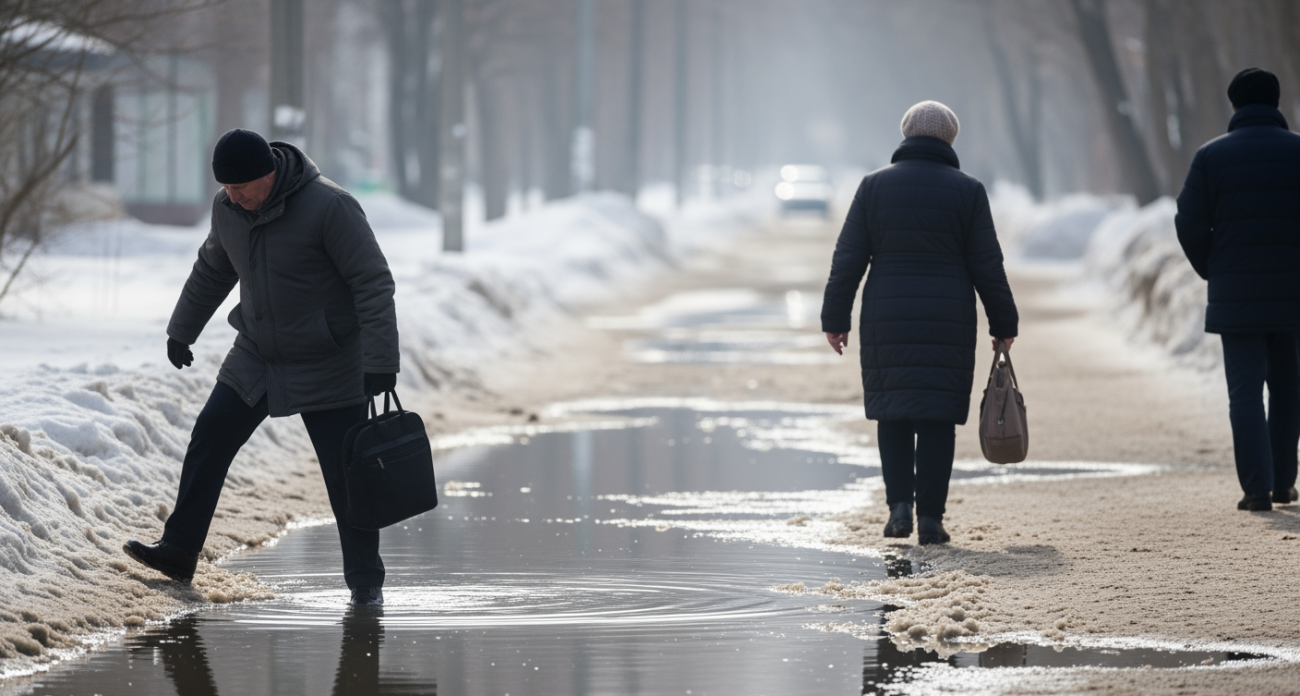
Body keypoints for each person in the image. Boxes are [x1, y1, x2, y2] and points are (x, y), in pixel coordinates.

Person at [123, 129, 400, 606]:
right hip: (258, 354)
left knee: (345, 476)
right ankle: (178, 550)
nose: (233, 196)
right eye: (226, 189)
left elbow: (372, 282)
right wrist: (181, 330)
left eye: (242, 187)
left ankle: (365, 582)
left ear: (269, 173)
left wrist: (380, 362)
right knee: (210, 436)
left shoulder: (330, 207)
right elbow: (213, 268)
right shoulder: (228, 209)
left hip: (328, 358)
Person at [821, 101, 1018, 545]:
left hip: (886, 315)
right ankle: (930, 517)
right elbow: (987, 264)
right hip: (947, 316)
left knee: (892, 414)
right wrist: (1003, 321)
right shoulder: (968, 191)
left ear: (906, 135)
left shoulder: (873, 187)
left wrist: (835, 318)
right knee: (936, 417)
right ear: (950, 138)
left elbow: (848, 258)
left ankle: (898, 509)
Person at [1175, 68, 1300, 512]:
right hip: (1293, 297)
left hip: (1237, 299)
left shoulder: (1211, 157)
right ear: (1277, 103)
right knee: (1288, 390)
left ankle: (1257, 489)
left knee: (1244, 393)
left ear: (1234, 106)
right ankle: (1286, 483)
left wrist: (1216, 268)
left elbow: (1187, 221)